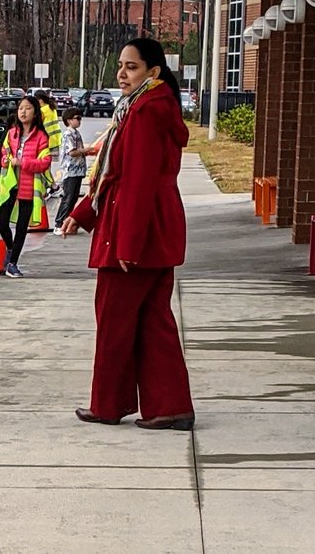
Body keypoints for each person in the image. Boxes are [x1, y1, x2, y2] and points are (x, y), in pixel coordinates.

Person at [62, 37, 194, 431]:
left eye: (132, 67)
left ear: (153, 72)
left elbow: (135, 181)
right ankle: (169, 406)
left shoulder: (144, 112)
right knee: (155, 322)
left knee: (115, 321)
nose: (122, 73)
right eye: (121, 65)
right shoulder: (144, 107)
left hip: (137, 231)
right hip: (154, 229)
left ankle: (109, 404)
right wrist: (83, 213)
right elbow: (114, 172)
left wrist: (128, 244)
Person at [0, 96, 51, 278]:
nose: (23, 112)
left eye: (27, 108)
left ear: (35, 113)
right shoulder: (12, 133)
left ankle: (12, 263)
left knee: (21, 228)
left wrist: (23, 163)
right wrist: (5, 161)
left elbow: (44, 162)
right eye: (20, 108)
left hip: (28, 189)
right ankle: (11, 249)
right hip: (10, 186)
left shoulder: (41, 137)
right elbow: (4, 153)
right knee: (2, 222)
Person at [53, 107, 88, 236]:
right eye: (77, 118)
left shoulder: (76, 133)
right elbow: (72, 152)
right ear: (68, 120)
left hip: (78, 171)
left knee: (73, 199)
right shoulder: (68, 134)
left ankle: (66, 223)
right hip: (70, 171)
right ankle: (59, 223)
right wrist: (87, 150)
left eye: (80, 118)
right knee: (68, 198)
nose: (79, 121)